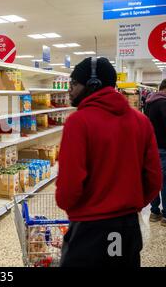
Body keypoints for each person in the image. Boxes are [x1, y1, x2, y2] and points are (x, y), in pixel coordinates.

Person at [55, 57, 162, 268]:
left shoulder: (79, 122)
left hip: (89, 230)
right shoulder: (141, 121)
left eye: (74, 83)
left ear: (93, 85)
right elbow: (154, 178)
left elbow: (69, 186)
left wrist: (74, 207)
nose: (69, 90)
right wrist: (132, 205)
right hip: (127, 228)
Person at [144, 79, 166, 226]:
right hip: (164, 147)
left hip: (151, 147)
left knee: (154, 179)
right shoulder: (163, 103)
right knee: (165, 182)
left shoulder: (149, 102)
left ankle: (154, 211)